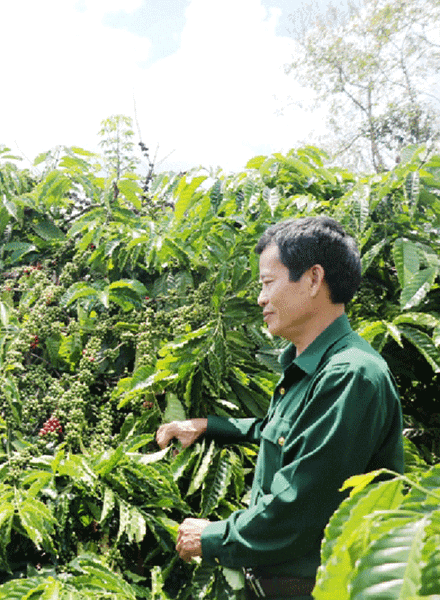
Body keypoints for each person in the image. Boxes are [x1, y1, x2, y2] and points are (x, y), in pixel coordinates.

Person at [156, 216, 404, 600]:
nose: (260, 299)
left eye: (268, 283)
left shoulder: (351, 375)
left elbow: (301, 505)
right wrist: (206, 425)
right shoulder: (311, 366)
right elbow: (278, 431)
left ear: (313, 279)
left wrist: (213, 536)